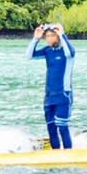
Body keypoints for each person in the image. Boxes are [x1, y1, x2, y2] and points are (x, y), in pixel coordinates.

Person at [28, 21, 76, 149]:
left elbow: (70, 52)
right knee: (51, 129)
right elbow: (29, 55)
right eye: (47, 36)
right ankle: (55, 154)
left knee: (63, 128)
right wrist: (36, 39)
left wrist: (62, 35)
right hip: (49, 97)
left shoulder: (67, 53)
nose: (50, 39)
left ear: (57, 36)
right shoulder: (48, 51)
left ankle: (68, 155)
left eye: (52, 36)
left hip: (63, 96)